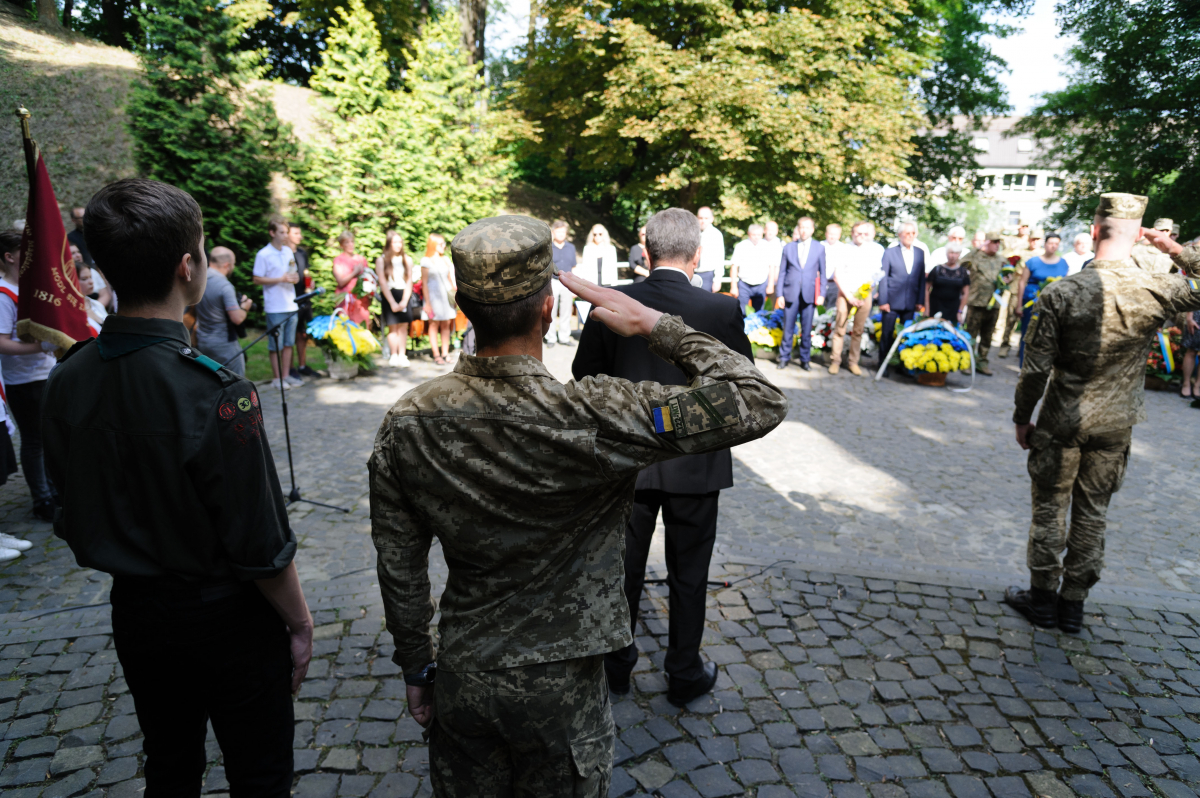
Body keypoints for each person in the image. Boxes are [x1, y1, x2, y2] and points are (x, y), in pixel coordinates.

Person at [369, 214, 786, 797]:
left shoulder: (409, 421)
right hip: (563, 686)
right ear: (547, 309)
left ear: (462, 305)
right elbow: (759, 400)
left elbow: (399, 562)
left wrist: (417, 665)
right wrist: (656, 326)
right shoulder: (593, 415)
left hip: (467, 671)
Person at [42, 178, 313, 795]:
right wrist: (298, 623)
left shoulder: (70, 377)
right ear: (188, 266)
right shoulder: (215, 390)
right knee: (261, 774)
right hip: (229, 618)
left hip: (137, 612)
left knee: (169, 766)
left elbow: (69, 505)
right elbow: (260, 542)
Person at [572, 207, 756, 707]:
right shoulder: (720, 309)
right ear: (697, 255)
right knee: (690, 572)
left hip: (628, 459)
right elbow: (744, 387)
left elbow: (585, 378)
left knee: (620, 567)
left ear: (646, 252)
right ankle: (683, 671)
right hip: (696, 461)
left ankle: (614, 668)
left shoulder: (614, 302)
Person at [1007, 193, 1200, 633]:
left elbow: (1034, 369)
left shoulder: (1062, 293)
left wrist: (1023, 417)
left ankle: (1041, 602)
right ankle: (1072, 607)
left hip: (1062, 420)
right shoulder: (1158, 287)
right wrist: (1174, 250)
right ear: (1138, 238)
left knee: (1050, 509)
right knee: (1093, 511)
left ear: (1094, 232)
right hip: (1115, 423)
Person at [0, 230, 58, 521]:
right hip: (22, 380)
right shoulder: (2, 294)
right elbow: (0, 342)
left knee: (50, 437)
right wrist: (40, 345)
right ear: (9, 257)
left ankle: (55, 490)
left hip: (44, 372)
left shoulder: (29, 287)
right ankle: (42, 499)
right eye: (25, 251)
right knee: (34, 441)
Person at [253, 215, 300, 390]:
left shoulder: (288, 251)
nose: (285, 235)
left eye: (286, 232)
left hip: (291, 303)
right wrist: (280, 278)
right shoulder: (263, 254)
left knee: (289, 343)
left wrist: (294, 278)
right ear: (272, 233)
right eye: (282, 232)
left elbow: (293, 273)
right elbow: (257, 279)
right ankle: (276, 378)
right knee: (276, 344)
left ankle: (286, 375)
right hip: (275, 306)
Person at [775, 216, 826, 371]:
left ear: (812, 229)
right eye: (801, 227)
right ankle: (784, 357)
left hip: (810, 294)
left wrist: (821, 293)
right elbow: (782, 272)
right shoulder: (788, 247)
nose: (804, 231)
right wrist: (780, 294)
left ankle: (805, 359)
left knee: (806, 329)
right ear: (798, 228)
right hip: (790, 292)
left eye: (807, 227)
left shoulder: (819, 248)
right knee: (788, 328)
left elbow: (823, 273)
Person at [827, 221, 879, 375]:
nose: (861, 236)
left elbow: (876, 276)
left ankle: (853, 362)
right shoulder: (843, 249)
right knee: (840, 328)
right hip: (845, 294)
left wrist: (864, 293)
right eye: (858, 233)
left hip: (864, 295)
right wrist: (849, 297)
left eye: (864, 233)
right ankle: (835, 360)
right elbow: (838, 275)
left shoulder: (873, 251)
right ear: (852, 233)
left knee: (858, 330)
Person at [196, 246, 253, 377]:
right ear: (227, 265)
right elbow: (237, 318)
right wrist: (245, 306)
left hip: (203, 341)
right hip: (225, 345)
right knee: (236, 384)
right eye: (233, 264)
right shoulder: (225, 286)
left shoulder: (200, 281)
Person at [1015, 233, 1069, 365]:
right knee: (1028, 333)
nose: (1053, 246)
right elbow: (1022, 282)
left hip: (1053, 305)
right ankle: (1024, 365)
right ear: (1045, 244)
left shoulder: (1063, 263)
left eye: (1056, 243)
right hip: (1032, 302)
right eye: (1051, 243)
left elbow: (1066, 285)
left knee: (1048, 336)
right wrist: (1019, 304)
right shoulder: (1033, 261)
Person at [877, 221, 926, 362]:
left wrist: (920, 300)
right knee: (887, 333)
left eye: (913, 233)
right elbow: (883, 278)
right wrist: (883, 301)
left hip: (910, 302)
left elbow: (921, 278)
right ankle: (883, 362)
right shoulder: (890, 252)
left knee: (907, 335)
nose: (910, 236)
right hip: (891, 301)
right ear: (900, 235)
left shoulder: (920, 253)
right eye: (907, 233)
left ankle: (903, 364)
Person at [960, 231, 1008, 376]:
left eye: (998, 242)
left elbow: (1008, 276)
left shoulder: (1002, 260)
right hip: (976, 302)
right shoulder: (975, 257)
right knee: (971, 333)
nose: (996, 245)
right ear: (986, 243)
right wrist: (978, 248)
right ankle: (967, 362)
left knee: (987, 335)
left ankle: (982, 362)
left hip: (994, 304)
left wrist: (1007, 281)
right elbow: (961, 264)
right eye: (993, 242)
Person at [999, 229, 1044, 358]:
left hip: (1034, 292)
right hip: (1016, 289)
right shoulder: (1020, 253)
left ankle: (1022, 349)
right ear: (1029, 239)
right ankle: (1005, 345)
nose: (1035, 242)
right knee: (1011, 319)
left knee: (1030, 321)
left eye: (1038, 239)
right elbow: (1008, 264)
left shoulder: (1043, 255)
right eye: (1033, 239)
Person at [378, 231, 413, 367]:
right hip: (389, 295)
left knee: (403, 327)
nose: (398, 245)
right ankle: (393, 355)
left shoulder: (407, 259)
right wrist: (392, 302)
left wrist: (404, 301)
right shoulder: (382, 260)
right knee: (392, 327)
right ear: (389, 244)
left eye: (400, 242)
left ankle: (402, 355)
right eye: (395, 242)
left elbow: (409, 281)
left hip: (404, 293)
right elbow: (382, 282)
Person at [420, 233, 457, 365]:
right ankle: (436, 354)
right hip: (433, 297)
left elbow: (450, 279)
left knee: (446, 324)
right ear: (434, 245)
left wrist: (455, 295)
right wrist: (428, 303)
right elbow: (424, 283)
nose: (444, 246)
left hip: (446, 296)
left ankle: (445, 353)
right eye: (441, 244)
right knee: (434, 324)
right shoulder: (426, 261)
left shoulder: (446, 259)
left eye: (444, 244)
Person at [288, 224, 317, 378]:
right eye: (296, 233)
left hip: (304, 297)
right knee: (290, 335)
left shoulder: (301, 253)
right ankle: (290, 368)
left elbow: (306, 273)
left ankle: (302, 365)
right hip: (290, 298)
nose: (300, 236)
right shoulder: (284, 254)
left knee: (302, 333)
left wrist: (310, 284)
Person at [577, 224, 619, 323]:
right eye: (595, 234)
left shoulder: (610, 249)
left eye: (600, 234)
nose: (597, 237)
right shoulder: (587, 248)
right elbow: (585, 269)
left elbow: (613, 269)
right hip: (592, 283)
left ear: (604, 234)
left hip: (607, 284)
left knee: (606, 311)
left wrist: (615, 286)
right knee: (591, 311)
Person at [729, 223, 774, 313]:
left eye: (759, 235)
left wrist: (771, 284)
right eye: (754, 235)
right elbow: (734, 267)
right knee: (742, 312)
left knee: (760, 313)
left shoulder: (768, 246)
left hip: (761, 284)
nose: (756, 237)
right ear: (749, 234)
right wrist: (733, 286)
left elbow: (771, 267)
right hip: (744, 285)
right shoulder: (741, 246)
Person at [332, 230, 373, 327]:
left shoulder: (361, 259)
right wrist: (355, 272)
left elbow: (368, 279)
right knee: (347, 329)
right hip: (345, 300)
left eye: (352, 241)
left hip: (361, 301)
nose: (350, 244)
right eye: (347, 242)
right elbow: (341, 282)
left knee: (362, 328)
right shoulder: (338, 260)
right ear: (342, 245)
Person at [547, 220, 577, 346]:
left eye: (563, 232)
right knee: (551, 311)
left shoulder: (571, 247)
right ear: (553, 232)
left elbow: (574, 266)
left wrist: (574, 286)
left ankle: (564, 337)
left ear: (566, 233)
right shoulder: (548, 247)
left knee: (566, 311)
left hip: (568, 283)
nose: (560, 234)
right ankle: (551, 338)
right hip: (552, 282)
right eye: (558, 232)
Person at [924, 243, 969, 325]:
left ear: (959, 255)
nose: (953, 256)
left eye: (956, 253)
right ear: (946, 253)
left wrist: (960, 312)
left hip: (953, 309)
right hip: (935, 307)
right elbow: (926, 288)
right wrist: (927, 309)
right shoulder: (937, 269)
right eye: (951, 252)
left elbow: (965, 293)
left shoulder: (963, 272)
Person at [696, 206, 725, 292]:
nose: (703, 221)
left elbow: (720, 258)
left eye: (706, 218)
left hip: (707, 275)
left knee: (704, 303)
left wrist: (717, 280)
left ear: (711, 219)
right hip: (691, 273)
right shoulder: (691, 232)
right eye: (700, 218)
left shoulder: (716, 235)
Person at [77, 265, 111, 336]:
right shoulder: (71, 311)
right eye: (84, 279)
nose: (91, 282)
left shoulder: (96, 304)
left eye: (90, 277)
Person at [820, 223, 845, 307]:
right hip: (820, 283)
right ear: (826, 234)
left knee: (832, 309)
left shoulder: (843, 248)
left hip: (835, 284)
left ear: (839, 235)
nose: (832, 236)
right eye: (830, 234)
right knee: (819, 309)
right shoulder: (820, 246)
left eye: (835, 234)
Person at [1181, 308, 1200, 400]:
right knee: (1192, 350)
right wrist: (1189, 317)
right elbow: (1194, 294)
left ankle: (1198, 385)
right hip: (1198, 313)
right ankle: (1186, 384)